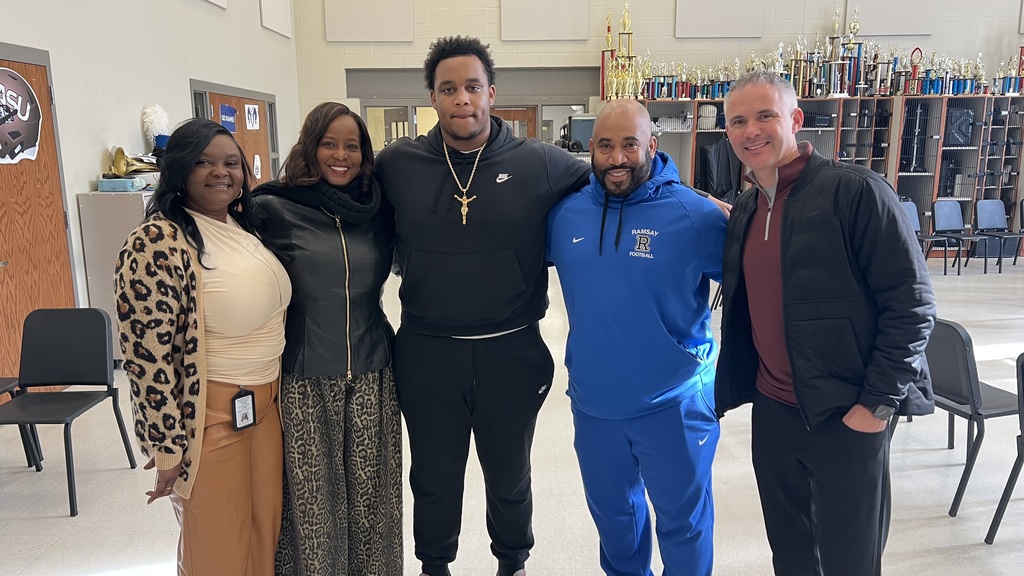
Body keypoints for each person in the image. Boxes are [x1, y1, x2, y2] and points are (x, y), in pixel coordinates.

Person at [374, 35, 593, 576]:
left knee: (509, 471)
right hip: (428, 350)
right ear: (433, 97)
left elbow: (617, 178)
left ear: (492, 93)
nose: (462, 99)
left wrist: (686, 198)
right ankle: (435, 565)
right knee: (432, 473)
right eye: (448, 89)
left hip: (510, 350)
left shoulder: (542, 163)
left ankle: (512, 562)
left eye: (473, 87)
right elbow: (335, 192)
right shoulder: (397, 164)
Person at [716, 70, 937, 576]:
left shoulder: (855, 193)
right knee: (790, 552)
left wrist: (876, 405)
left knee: (849, 560)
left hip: (845, 412)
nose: (751, 131)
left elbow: (913, 304)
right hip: (774, 413)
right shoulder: (748, 207)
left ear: (795, 119)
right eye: (738, 121)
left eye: (765, 116)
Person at [546, 99, 725, 576]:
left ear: (652, 144)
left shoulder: (696, 215)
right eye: (605, 146)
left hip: (675, 407)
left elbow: (761, 282)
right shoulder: (565, 217)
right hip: (594, 405)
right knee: (616, 524)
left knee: (683, 526)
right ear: (590, 150)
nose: (618, 157)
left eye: (630, 144)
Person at [114, 118, 291, 575]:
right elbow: (145, 356)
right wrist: (167, 444)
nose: (221, 172)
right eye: (204, 162)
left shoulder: (241, 224)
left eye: (231, 163)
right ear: (178, 170)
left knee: (261, 533)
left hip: (265, 406)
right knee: (216, 549)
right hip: (208, 415)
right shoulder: (157, 240)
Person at [252, 102, 401, 575]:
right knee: (314, 506)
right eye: (329, 144)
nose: (341, 155)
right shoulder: (271, 207)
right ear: (310, 147)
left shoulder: (376, 209)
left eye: (352, 146)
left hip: (374, 376)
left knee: (374, 501)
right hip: (305, 379)